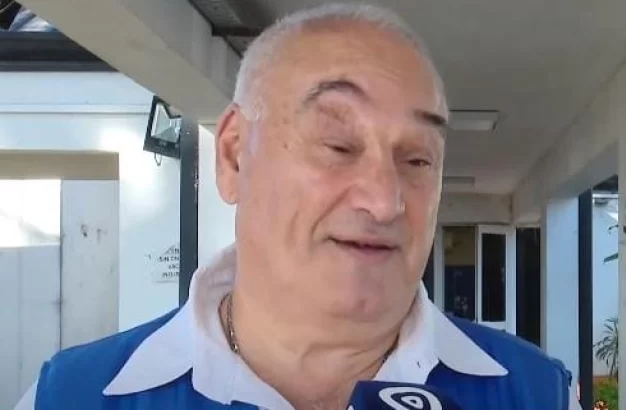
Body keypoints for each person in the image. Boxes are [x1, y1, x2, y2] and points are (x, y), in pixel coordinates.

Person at [15, 3, 581, 410]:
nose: (384, 200)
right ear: (234, 155)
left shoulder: (537, 394)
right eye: (338, 145)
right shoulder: (72, 396)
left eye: (417, 158)